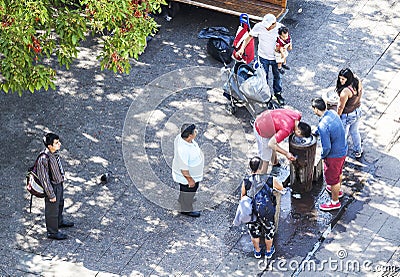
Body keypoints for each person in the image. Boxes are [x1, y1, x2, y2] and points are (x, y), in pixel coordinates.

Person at [236, 13, 286, 105]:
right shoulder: (259, 26)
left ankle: (278, 94)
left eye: (269, 26)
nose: (266, 28)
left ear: (274, 24)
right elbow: (249, 37)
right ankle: (265, 96)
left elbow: (287, 43)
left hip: (276, 58)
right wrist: (242, 48)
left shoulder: (281, 29)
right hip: (263, 57)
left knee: (278, 77)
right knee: (263, 77)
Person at [241, 156, 284, 259]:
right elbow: (280, 187)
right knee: (269, 231)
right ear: (260, 167)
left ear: (251, 168)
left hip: (252, 212)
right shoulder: (269, 179)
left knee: (254, 232)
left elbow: (243, 196)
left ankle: (257, 251)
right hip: (266, 211)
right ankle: (269, 251)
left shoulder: (246, 181)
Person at [311, 97, 347, 211]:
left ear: (316, 109)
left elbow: (327, 147)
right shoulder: (332, 113)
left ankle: (334, 202)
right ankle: (337, 190)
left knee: (332, 179)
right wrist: (316, 132)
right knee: (338, 172)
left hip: (334, 156)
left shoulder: (323, 126)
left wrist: (322, 156)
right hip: (343, 150)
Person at [37, 133, 74, 240]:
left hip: (59, 184)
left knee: (60, 204)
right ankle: (52, 232)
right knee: (52, 209)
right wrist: (51, 194)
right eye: (56, 143)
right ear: (49, 146)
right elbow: (44, 179)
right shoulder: (43, 158)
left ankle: (59, 221)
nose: (59, 144)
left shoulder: (55, 153)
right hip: (52, 187)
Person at [254, 108, 312, 173]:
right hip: (261, 127)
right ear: (298, 132)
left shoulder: (297, 115)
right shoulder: (286, 129)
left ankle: (275, 163)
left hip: (265, 117)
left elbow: (297, 112)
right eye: (300, 137)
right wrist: (286, 153)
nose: (300, 138)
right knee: (265, 159)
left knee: (274, 143)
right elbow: (271, 144)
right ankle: (261, 178)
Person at [172, 124, 204, 217]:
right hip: (188, 177)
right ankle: (186, 209)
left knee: (184, 189)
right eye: (194, 131)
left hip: (189, 173)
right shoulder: (184, 150)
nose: (196, 132)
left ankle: (182, 199)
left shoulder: (181, 138)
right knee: (190, 190)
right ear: (190, 136)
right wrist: (190, 180)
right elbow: (184, 170)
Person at [335, 68, 363, 158]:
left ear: (348, 78)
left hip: (347, 115)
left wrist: (336, 117)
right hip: (357, 111)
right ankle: (358, 150)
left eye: (343, 79)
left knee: (343, 135)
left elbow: (340, 107)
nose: (341, 81)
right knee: (355, 132)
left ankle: (342, 154)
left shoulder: (345, 92)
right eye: (340, 78)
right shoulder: (357, 81)